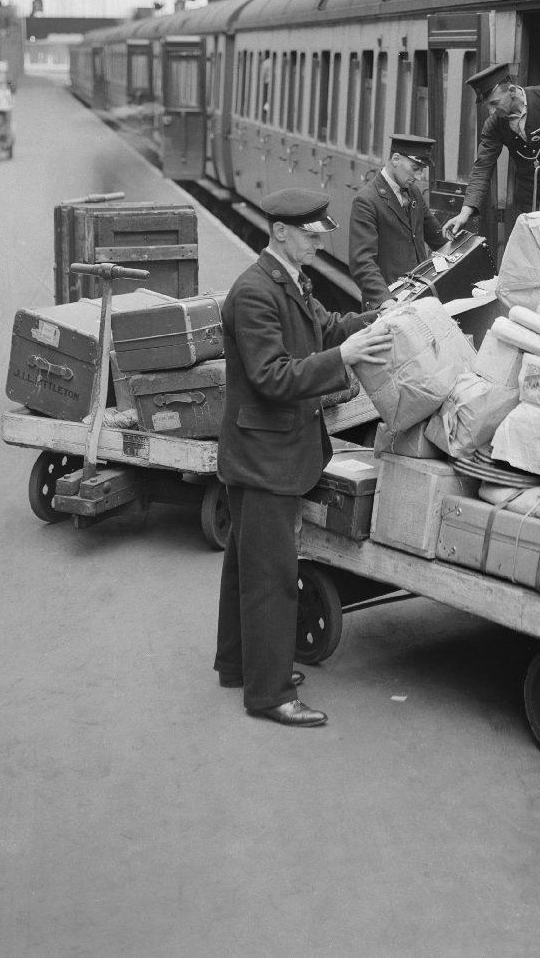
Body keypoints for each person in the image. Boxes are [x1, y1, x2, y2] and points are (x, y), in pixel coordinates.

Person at [213, 189, 392, 728]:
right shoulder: (254, 292)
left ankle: (237, 665)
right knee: (272, 575)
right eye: (311, 235)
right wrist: (342, 358)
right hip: (264, 456)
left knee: (245, 565)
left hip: (268, 450)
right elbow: (271, 376)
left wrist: (374, 320)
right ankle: (269, 695)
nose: (319, 243)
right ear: (281, 231)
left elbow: (326, 327)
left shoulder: (289, 280)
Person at [443, 62, 540, 239]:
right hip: (528, 205)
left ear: (511, 91)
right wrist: (465, 213)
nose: (491, 111)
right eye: (487, 105)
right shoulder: (494, 125)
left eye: (494, 103)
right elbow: (482, 167)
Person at [348, 133, 446, 309]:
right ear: (396, 159)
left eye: (422, 169)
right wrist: (385, 300)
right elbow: (362, 262)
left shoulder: (414, 193)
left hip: (418, 296)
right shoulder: (367, 200)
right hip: (388, 302)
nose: (419, 176)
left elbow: (437, 237)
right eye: (415, 168)